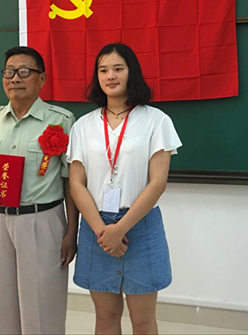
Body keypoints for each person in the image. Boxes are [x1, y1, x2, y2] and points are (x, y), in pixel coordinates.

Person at [66, 43, 182, 335]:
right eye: (103, 70)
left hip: (141, 226)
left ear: (132, 72)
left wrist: (120, 229)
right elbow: (76, 183)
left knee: (142, 319)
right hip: (96, 227)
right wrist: (103, 231)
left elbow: (158, 183)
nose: (110, 76)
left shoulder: (156, 120)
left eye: (118, 68)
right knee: (105, 316)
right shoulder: (83, 125)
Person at [0, 46, 78, 335]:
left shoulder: (62, 120)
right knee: (1, 300)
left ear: (41, 79)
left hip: (42, 220)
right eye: (9, 72)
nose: (15, 78)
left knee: (43, 304)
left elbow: (71, 181)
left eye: (24, 71)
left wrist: (72, 231)